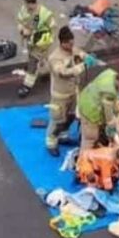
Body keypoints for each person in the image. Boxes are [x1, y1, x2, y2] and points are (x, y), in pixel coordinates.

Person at [46, 27, 87, 157]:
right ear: (62, 42)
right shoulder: (55, 58)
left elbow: (81, 54)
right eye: (69, 43)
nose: (71, 46)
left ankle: (63, 136)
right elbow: (62, 73)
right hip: (60, 94)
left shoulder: (73, 50)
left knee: (71, 116)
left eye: (72, 43)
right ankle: (51, 142)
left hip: (73, 92)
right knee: (57, 120)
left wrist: (88, 58)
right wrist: (81, 67)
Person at [76, 68, 119, 151]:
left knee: (86, 130)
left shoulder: (110, 73)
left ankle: (83, 133)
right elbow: (108, 115)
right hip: (91, 112)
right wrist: (112, 123)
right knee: (90, 139)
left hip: (85, 98)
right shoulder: (109, 91)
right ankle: (83, 159)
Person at [16, 0, 56, 98]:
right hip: (31, 41)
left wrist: (48, 39)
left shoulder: (44, 13)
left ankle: (27, 86)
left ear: (32, 3)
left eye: (27, 4)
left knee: (33, 62)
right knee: (39, 59)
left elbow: (53, 27)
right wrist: (22, 30)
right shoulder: (24, 10)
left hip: (41, 41)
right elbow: (20, 21)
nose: (25, 6)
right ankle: (47, 72)